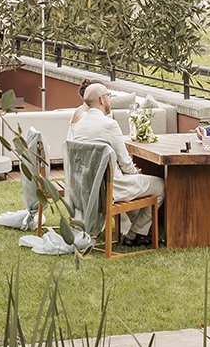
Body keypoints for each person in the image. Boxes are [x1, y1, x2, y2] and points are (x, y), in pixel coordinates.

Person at [70, 82, 165, 244]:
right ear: (101, 99)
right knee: (159, 185)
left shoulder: (79, 125)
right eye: (109, 96)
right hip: (110, 188)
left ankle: (136, 234)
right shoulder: (109, 125)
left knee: (137, 185)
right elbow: (125, 162)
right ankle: (136, 233)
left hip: (85, 189)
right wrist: (137, 173)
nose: (110, 100)